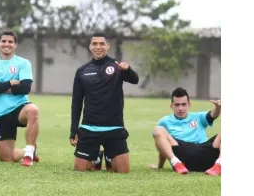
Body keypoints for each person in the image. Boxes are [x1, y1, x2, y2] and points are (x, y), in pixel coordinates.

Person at [70, 32, 139, 173]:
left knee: (123, 171)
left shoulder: (117, 66)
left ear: (107, 46)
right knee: (80, 170)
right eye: (94, 44)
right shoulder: (82, 71)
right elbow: (76, 102)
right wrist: (74, 130)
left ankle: (108, 157)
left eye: (102, 43)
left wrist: (128, 69)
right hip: (89, 127)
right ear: (90, 47)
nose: (98, 47)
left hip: (114, 127)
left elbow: (135, 79)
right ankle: (97, 157)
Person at [0, 30, 40, 166]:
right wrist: (11, 83)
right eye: (4, 41)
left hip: (20, 108)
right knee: (6, 158)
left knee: (33, 110)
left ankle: (29, 154)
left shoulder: (23, 63)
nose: (7, 44)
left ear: (15, 45)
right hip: (1, 113)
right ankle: (27, 151)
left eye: (10, 42)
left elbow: (25, 88)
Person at [147, 87, 221, 175]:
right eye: (177, 105)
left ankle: (219, 164)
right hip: (182, 156)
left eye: (183, 104)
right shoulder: (165, 121)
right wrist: (159, 166)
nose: (180, 108)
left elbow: (212, 115)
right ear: (172, 106)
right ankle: (176, 163)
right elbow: (162, 144)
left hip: (205, 152)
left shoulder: (198, 116)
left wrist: (218, 108)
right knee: (158, 130)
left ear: (189, 104)